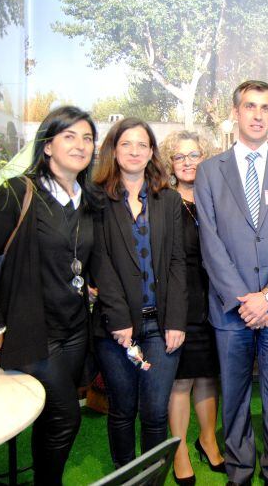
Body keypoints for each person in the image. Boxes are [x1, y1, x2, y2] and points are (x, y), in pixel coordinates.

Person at [0, 106, 101, 485]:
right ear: (47, 146)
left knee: (53, 415)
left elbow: (78, 258)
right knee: (67, 416)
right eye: (69, 136)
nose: (80, 145)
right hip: (33, 331)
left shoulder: (88, 200)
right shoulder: (17, 192)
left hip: (75, 330)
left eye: (87, 138)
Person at [194, 80, 268, 486]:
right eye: (250, 106)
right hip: (231, 310)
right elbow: (209, 240)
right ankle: (240, 470)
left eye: (266, 108)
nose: (258, 114)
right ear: (235, 112)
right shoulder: (210, 170)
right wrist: (243, 300)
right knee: (236, 397)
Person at [93, 117, 187, 468]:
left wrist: (176, 321)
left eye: (142, 145)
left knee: (154, 411)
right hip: (116, 330)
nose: (134, 151)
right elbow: (100, 263)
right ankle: (125, 475)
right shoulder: (98, 201)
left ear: (151, 152)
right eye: (126, 144)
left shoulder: (169, 200)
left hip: (161, 329)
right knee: (122, 408)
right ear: (114, 151)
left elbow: (178, 263)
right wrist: (118, 320)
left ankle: (150, 477)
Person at [160, 130, 224, 484]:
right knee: (181, 381)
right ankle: (180, 448)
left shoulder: (214, 198)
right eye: (179, 156)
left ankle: (208, 438)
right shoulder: (163, 201)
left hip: (215, 302)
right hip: (179, 303)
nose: (187, 162)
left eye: (194, 155)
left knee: (208, 377)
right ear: (170, 163)